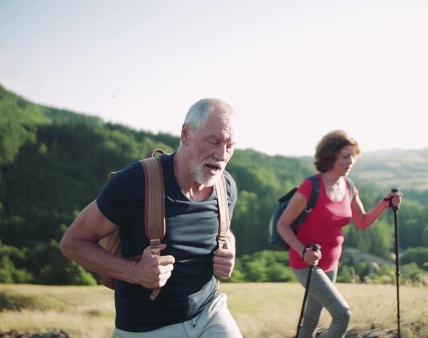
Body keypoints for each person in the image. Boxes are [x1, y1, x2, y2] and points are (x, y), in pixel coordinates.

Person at [59, 98, 243, 337]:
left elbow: (224, 229)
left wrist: (231, 248)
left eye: (230, 145)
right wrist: (135, 272)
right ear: (186, 134)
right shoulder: (135, 182)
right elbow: (73, 242)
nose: (221, 154)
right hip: (147, 326)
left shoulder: (225, 186)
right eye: (213, 141)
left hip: (210, 311)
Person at [276, 130, 402, 338]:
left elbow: (361, 222)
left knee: (311, 319)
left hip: (331, 263)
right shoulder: (312, 186)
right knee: (342, 314)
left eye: (353, 156)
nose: (350, 161)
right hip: (307, 262)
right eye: (345, 156)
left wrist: (385, 203)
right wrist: (303, 251)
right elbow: (283, 225)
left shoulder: (348, 186)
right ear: (330, 155)